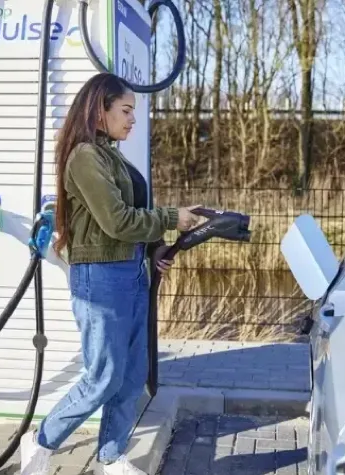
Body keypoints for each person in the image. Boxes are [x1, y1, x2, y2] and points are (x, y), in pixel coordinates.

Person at [19, 73, 203, 475]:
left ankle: (110, 457)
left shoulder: (110, 154)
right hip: (100, 281)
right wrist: (173, 218)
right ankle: (39, 441)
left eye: (132, 112)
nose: (132, 120)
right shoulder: (85, 156)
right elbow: (117, 221)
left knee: (132, 375)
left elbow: (128, 223)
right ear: (98, 110)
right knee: (103, 377)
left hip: (130, 273)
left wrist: (152, 249)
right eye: (125, 110)